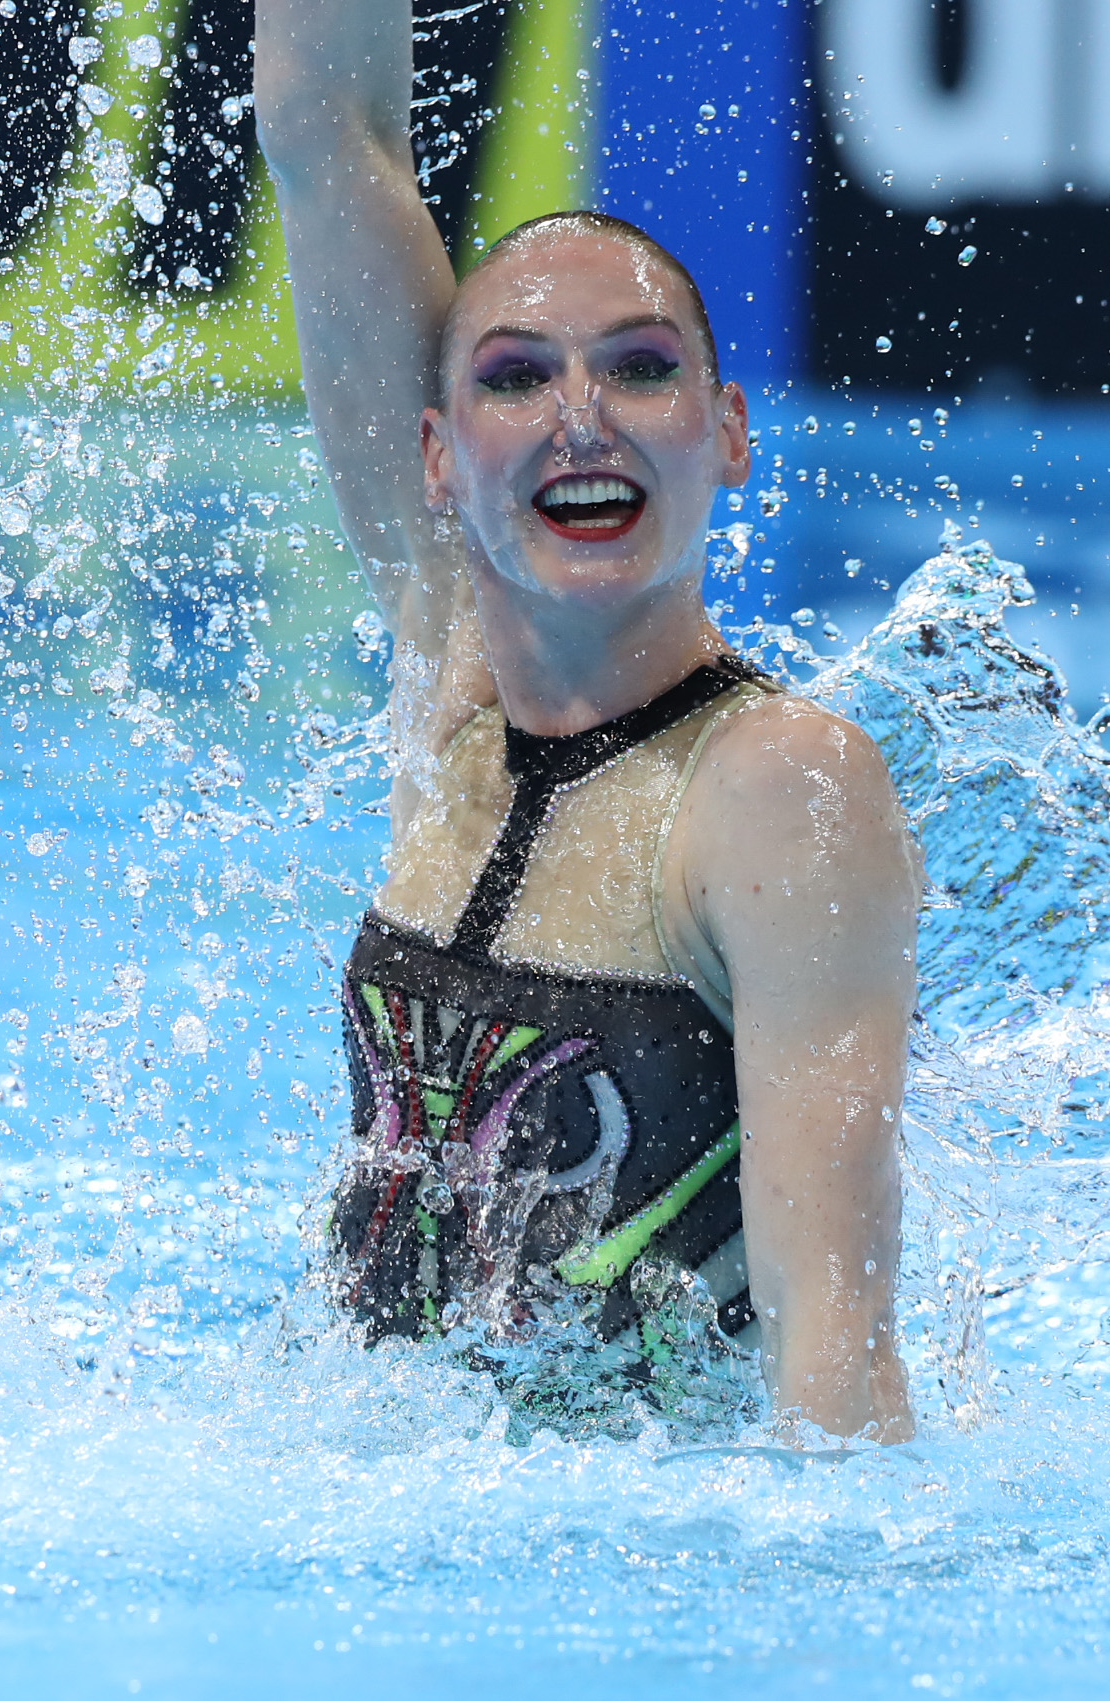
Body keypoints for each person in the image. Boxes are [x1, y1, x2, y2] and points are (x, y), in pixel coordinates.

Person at [255, 0, 918, 1439]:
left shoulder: (773, 787)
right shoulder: (449, 680)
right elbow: (319, 124)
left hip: (636, 1570)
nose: (578, 418)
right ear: (435, 455)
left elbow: (837, 1348)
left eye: (637, 366)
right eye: (511, 376)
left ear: (728, 431)